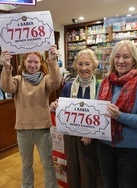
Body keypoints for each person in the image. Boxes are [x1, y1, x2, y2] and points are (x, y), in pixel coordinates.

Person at [0, 45, 61, 188]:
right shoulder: (18, 80)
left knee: (48, 164)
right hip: (23, 130)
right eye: (29, 62)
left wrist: (52, 61)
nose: (33, 65)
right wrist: (6, 67)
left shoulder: (45, 79)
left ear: (41, 64)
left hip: (43, 130)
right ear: (24, 63)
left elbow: (55, 82)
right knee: (26, 165)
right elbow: (6, 87)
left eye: (36, 62)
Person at [96, 40, 137, 188]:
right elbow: (97, 112)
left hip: (131, 150)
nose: (121, 61)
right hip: (104, 146)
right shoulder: (105, 83)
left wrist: (119, 116)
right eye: (117, 56)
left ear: (134, 60)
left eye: (126, 57)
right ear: (112, 59)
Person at [50, 48, 102, 188]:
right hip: (71, 137)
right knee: (72, 169)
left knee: (89, 170)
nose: (84, 68)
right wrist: (56, 106)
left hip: (91, 139)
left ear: (94, 66)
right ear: (75, 66)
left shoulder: (100, 86)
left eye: (87, 64)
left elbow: (102, 115)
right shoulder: (68, 86)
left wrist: (90, 133)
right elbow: (63, 108)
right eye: (80, 64)